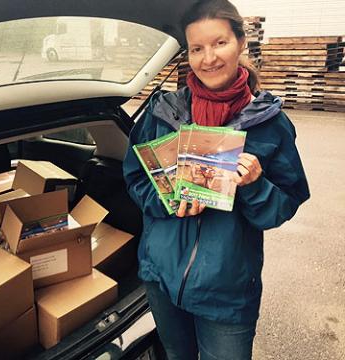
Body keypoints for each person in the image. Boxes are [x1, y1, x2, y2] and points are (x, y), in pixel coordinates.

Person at [122, 1, 310, 359]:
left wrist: (255, 186)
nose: (208, 58)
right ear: (187, 54)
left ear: (240, 42)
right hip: (160, 279)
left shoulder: (271, 125)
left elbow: (284, 204)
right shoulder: (164, 113)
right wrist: (168, 198)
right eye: (197, 48)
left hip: (227, 294)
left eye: (219, 43)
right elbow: (134, 176)